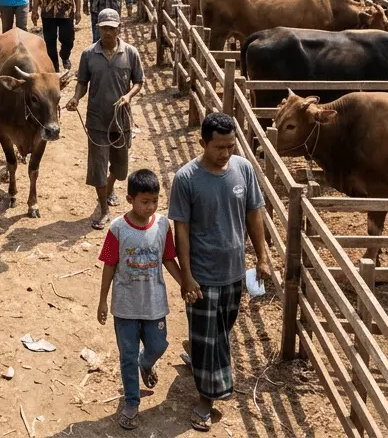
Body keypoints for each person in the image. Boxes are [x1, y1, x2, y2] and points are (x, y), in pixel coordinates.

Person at [170, 112, 272, 433]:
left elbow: (255, 214)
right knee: (210, 340)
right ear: (203, 143)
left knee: (221, 332)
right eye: (219, 147)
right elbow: (181, 231)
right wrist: (186, 276)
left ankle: (197, 356)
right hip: (202, 275)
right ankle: (205, 400)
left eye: (230, 146)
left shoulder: (243, 170)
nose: (225, 153)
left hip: (234, 273)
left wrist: (263, 257)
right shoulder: (186, 179)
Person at [97, 169, 184, 431]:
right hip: (124, 306)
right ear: (130, 199)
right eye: (144, 201)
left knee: (159, 344)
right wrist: (102, 300)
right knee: (127, 355)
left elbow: (169, 258)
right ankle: (131, 403)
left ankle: (146, 363)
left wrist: (185, 283)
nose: (150, 206)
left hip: (154, 303)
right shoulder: (118, 229)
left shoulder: (162, 225)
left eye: (155, 201)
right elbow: (109, 266)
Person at [66, 8, 144, 230]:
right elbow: (82, 82)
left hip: (121, 119)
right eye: (104, 28)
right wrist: (76, 98)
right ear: (97, 29)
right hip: (97, 119)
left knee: (120, 169)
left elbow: (139, 81)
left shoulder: (130, 53)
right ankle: (104, 209)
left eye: (112, 28)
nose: (108, 32)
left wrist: (128, 96)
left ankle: (110, 188)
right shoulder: (88, 54)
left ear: (119, 28)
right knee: (98, 166)